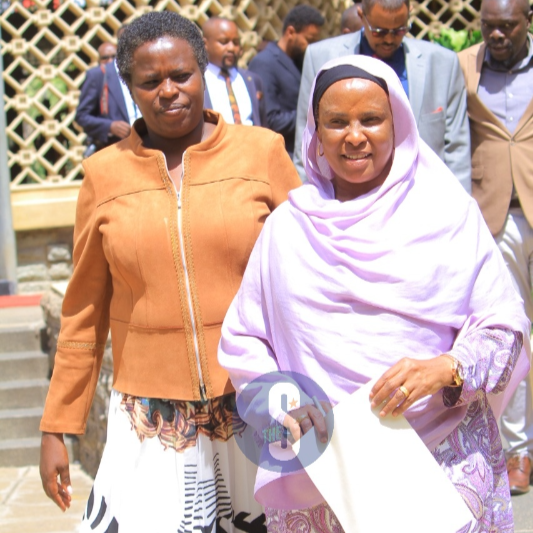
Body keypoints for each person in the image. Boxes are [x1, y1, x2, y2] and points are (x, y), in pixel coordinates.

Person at [219, 55, 531, 532]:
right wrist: (285, 401)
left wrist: (446, 368)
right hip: (327, 471)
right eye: (337, 122)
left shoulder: (448, 215)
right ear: (316, 134)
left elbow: (505, 327)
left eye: (371, 119)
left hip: (441, 465)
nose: (355, 135)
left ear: (398, 124)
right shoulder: (288, 229)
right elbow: (244, 339)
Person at [39, 11, 300, 532]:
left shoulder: (262, 153)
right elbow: (84, 310)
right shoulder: (104, 174)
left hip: (254, 400)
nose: (169, 91)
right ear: (128, 85)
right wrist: (56, 426)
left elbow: (308, 275)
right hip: (150, 418)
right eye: (150, 81)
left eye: (181, 75)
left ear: (203, 71)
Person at [458, 0, 533, 496]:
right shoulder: (463, 64)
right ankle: (518, 449)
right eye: (489, 26)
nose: (497, 34)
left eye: (507, 25)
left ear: (527, 20)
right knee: (512, 332)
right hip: (493, 215)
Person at [293, 0, 471, 193]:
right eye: (379, 31)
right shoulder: (322, 57)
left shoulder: (442, 64)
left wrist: (459, 204)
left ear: (409, 15)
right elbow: (307, 134)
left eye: (399, 31)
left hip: (422, 198)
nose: (389, 39)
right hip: (343, 198)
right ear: (362, 17)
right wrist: (309, 200)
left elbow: (457, 148)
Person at [248, 5, 324, 156]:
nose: (312, 47)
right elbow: (270, 119)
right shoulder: (264, 62)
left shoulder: (300, 60)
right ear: (290, 32)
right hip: (282, 154)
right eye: (309, 40)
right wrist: (314, 115)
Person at [75, 28, 139, 154]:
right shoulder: (98, 75)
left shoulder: (149, 71)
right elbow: (82, 116)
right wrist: (109, 126)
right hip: (116, 150)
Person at [202, 17, 265, 126]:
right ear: (205, 44)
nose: (231, 48)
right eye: (224, 42)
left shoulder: (251, 80)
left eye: (236, 42)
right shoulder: (198, 80)